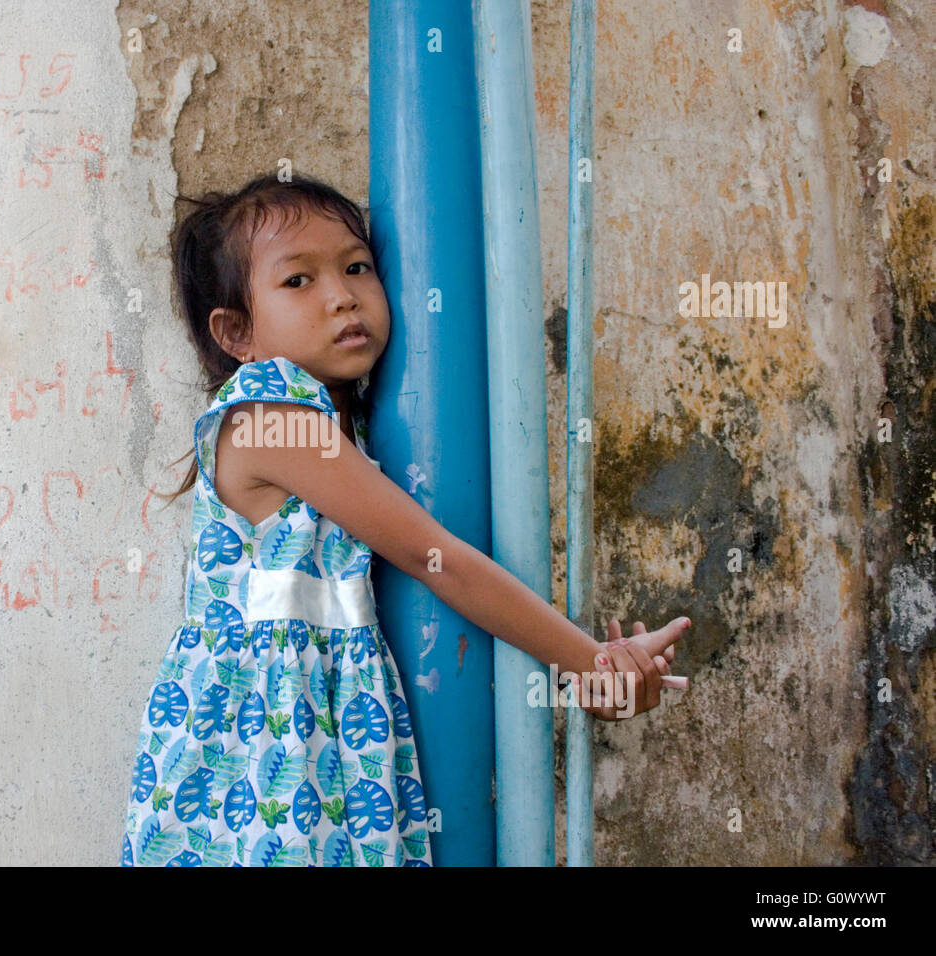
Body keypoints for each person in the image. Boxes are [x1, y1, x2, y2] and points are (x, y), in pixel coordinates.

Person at [119, 172, 688, 867]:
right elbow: (432, 555)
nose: (342, 296)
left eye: (357, 267)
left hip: (321, 735)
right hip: (263, 744)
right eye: (298, 281)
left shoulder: (344, 424)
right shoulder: (269, 416)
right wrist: (592, 665)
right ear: (237, 332)